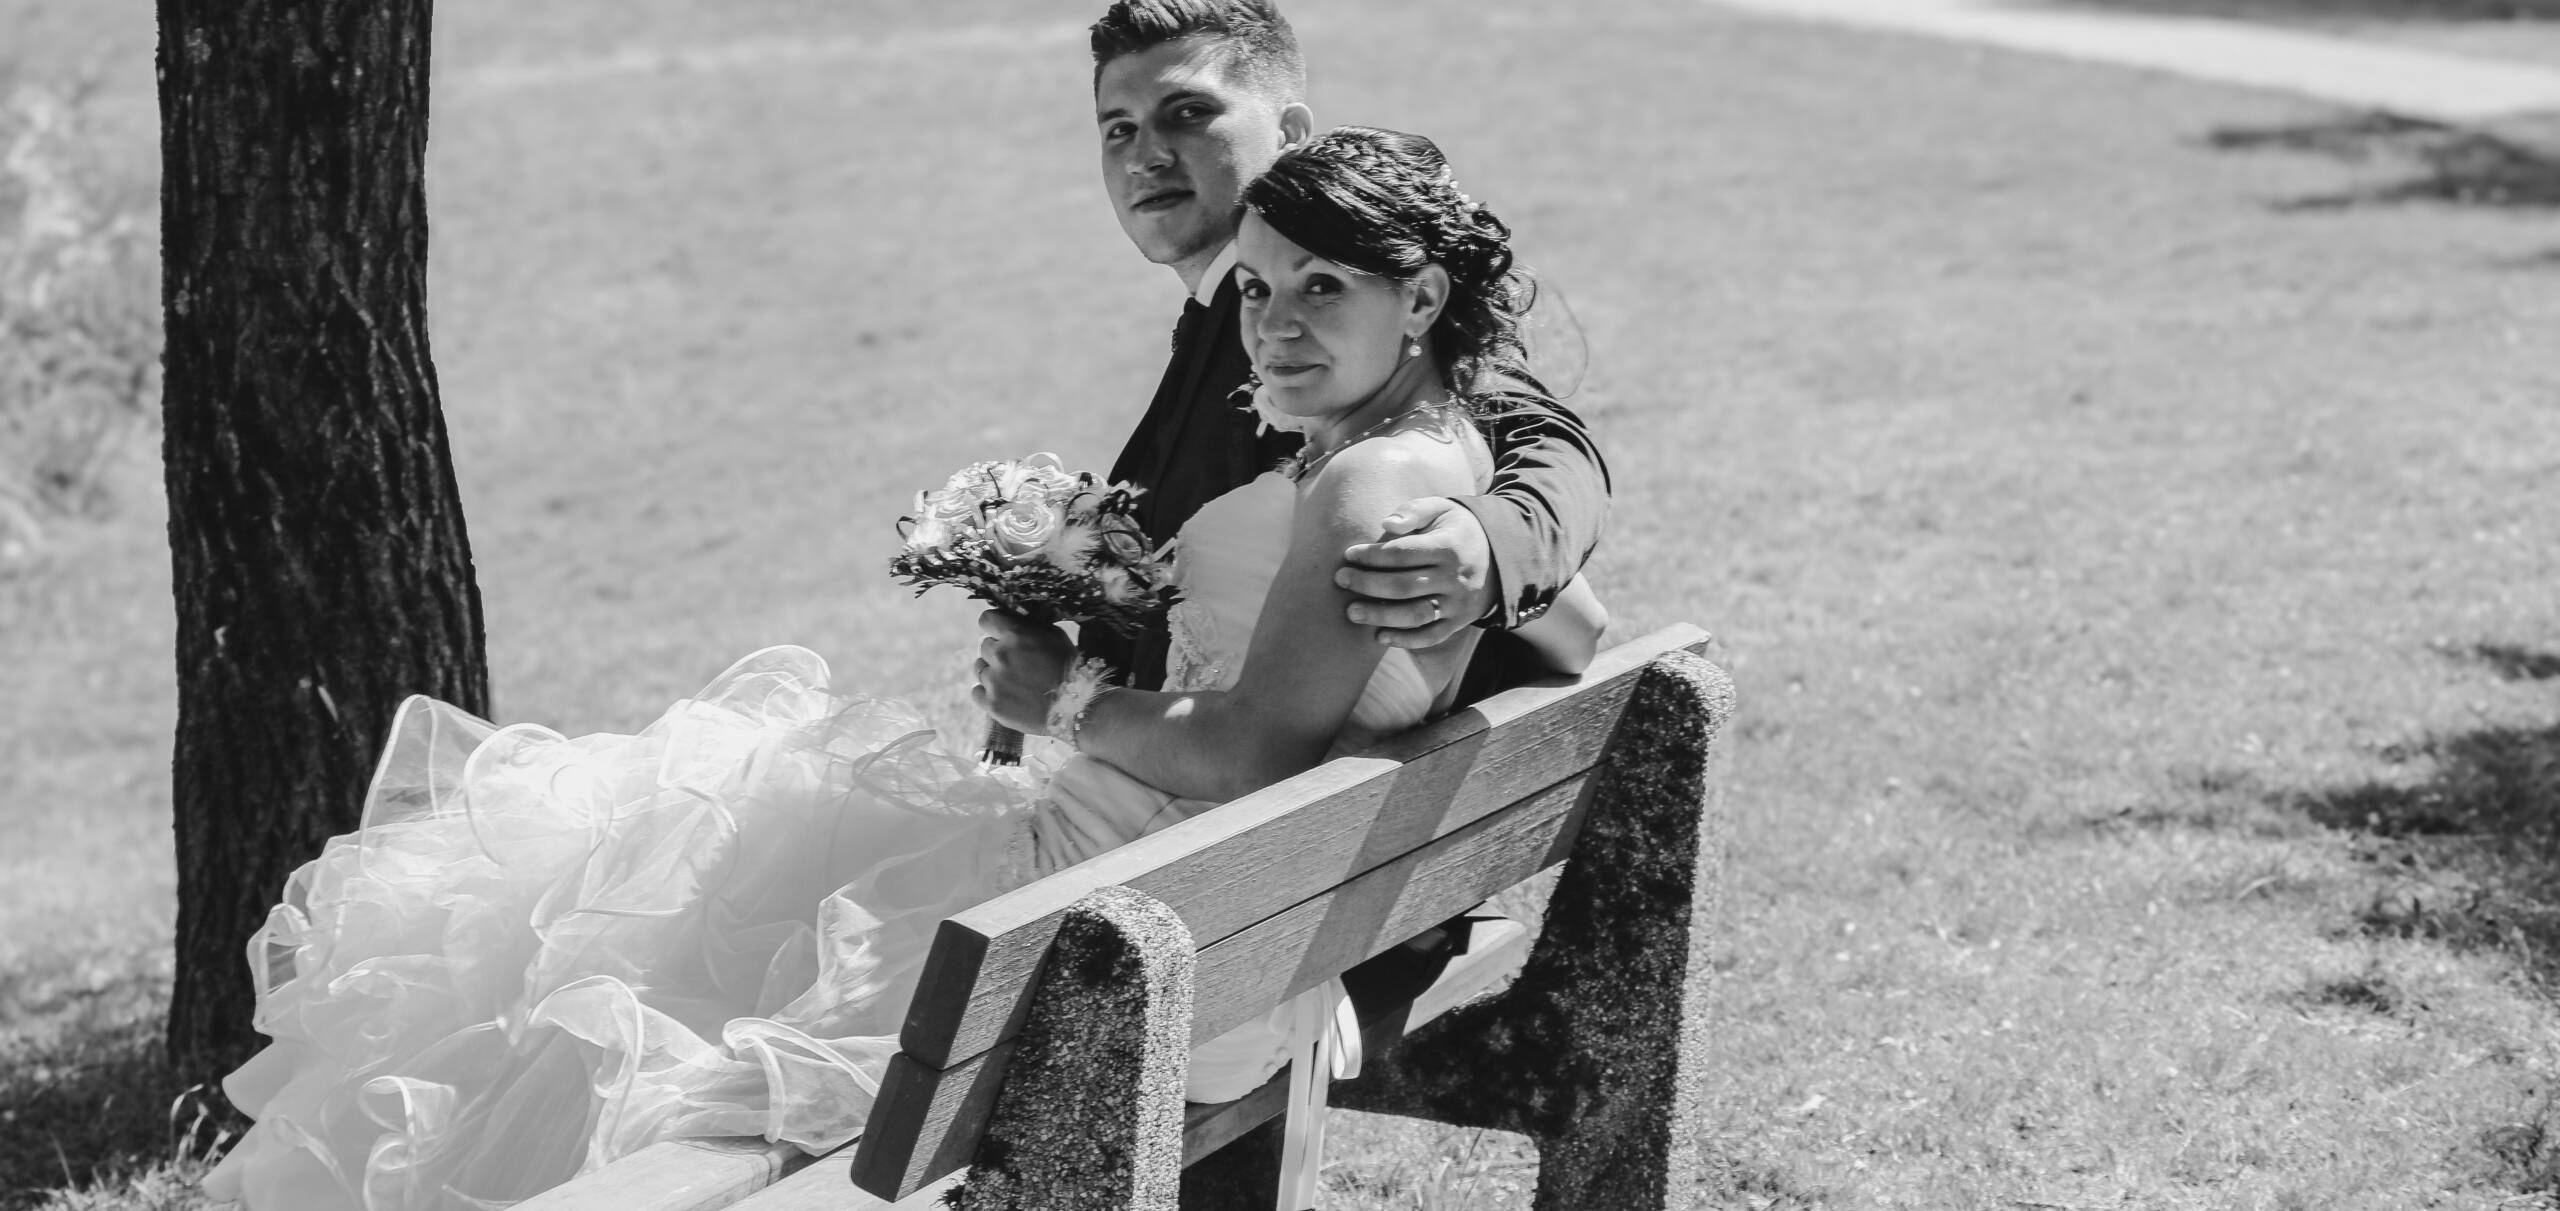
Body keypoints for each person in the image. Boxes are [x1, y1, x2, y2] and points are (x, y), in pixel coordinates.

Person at [201, 127, 1608, 1211]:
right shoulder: (1412, 446)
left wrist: (1058, 701)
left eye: (1324, 289)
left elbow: (1249, 751)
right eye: (1259, 287)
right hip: (1196, 903)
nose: (1277, 322)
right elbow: (1569, 627)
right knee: (670, 863)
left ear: (1419, 292)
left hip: (1121, 933)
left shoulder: (1374, 484)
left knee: (640, 895)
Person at [1056, 0, 1611, 702]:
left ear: (1288, 134)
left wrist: (1493, 544)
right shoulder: (1222, 316)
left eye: (1188, 113)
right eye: (1118, 128)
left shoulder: (1357, 321)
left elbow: (1540, 435)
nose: (1146, 156)